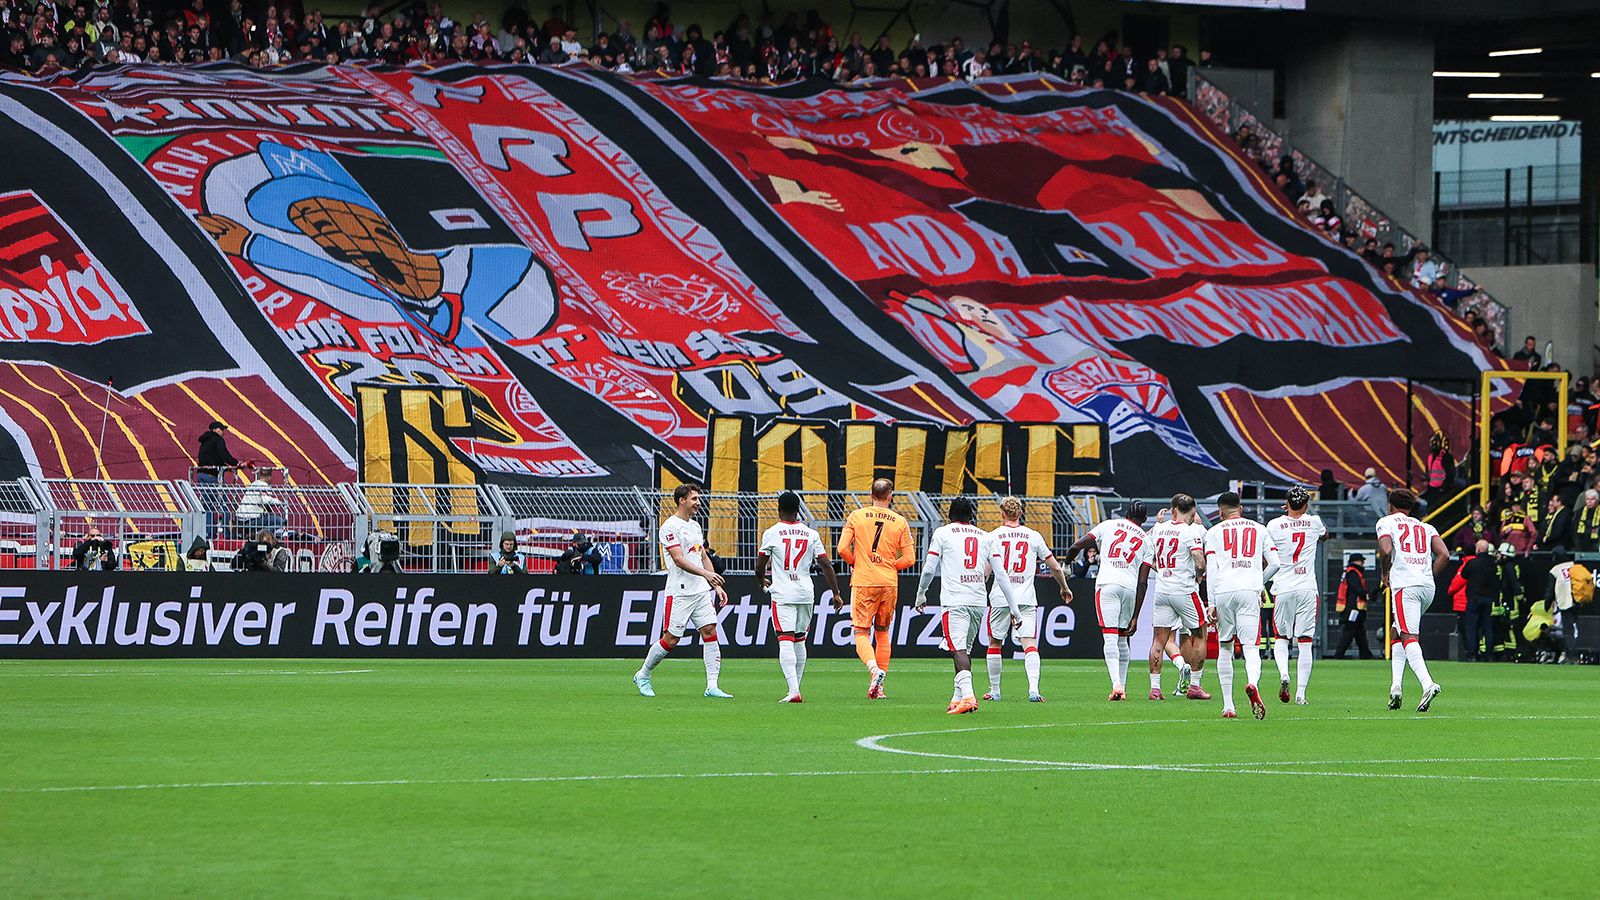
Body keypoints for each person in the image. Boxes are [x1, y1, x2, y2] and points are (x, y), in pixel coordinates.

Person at [913, 497, 1021, 714]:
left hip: (955, 601)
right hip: (978, 601)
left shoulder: (943, 533)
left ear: (949, 514)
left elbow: (929, 569)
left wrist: (921, 594)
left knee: (957, 649)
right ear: (972, 515)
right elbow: (1001, 575)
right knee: (964, 649)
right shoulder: (986, 536)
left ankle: (969, 696)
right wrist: (1014, 608)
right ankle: (957, 698)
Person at [633, 483, 732, 699]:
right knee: (671, 640)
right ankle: (643, 674)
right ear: (682, 500)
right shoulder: (669, 527)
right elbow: (678, 560)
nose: (698, 503)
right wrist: (705, 575)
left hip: (701, 592)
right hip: (680, 592)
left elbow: (702, 556)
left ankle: (712, 686)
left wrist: (715, 585)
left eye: (698, 498)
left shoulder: (695, 526)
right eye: (694, 499)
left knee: (710, 631)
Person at [755, 490, 843, 702]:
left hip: (783, 593)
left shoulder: (772, 532)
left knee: (785, 639)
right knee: (800, 639)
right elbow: (826, 564)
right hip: (805, 593)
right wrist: (836, 592)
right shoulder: (811, 534)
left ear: (779, 509)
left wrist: (761, 581)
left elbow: (760, 565)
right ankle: (796, 687)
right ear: (798, 510)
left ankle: (793, 690)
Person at [982, 496, 1071, 703]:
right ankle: (1033, 690)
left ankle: (995, 691)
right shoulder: (1033, 536)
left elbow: (986, 572)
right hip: (1026, 597)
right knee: (1029, 643)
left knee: (995, 642)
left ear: (1001, 513)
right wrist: (1064, 587)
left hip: (1000, 598)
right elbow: (1055, 567)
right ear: (1020, 513)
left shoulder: (992, 536)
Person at [1063, 501, 1152, 701]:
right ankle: (1123, 685)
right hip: (1129, 588)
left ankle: (1116, 684)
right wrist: (1136, 616)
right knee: (1122, 638)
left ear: (1126, 514)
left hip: (1107, 584)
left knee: (1110, 637)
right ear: (1145, 519)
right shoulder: (1147, 541)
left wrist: (1066, 564)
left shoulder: (1109, 525)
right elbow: (1143, 582)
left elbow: (1076, 546)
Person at [836, 478, 915, 699]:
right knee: (882, 632)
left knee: (861, 632)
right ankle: (879, 688)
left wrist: (856, 562)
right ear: (890, 496)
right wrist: (889, 565)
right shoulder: (900, 521)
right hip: (888, 582)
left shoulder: (856, 516)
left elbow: (842, 548)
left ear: (871, 495)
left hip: (864, 581)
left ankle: (873, 670)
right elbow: (910, 559)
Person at [1204, 492, 1278, 720]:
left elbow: (1212, 569)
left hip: (1223, 591)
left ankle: (1228, 706)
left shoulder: (1213, 532)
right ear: (1241, 508)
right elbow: (1276, 564)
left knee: (1225, 646)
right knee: (1251, 647)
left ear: (1220, 512)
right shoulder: (1259, 528)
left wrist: (1212, 603)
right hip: (1249, 590)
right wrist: (1258, 582)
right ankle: (1252, 683)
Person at [1377, 489, 1450, 712]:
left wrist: (1385, 572)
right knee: (1396, 631)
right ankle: (1396, 688)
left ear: (1391, 506)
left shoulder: (1386, 522)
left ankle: (1428, 684)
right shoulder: (1426, 527)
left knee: (1409, 636)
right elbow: (1445, 555)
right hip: (1427, 587)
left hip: (1405, 586)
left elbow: (1386, 550)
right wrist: (1427, 575)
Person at [1136, 493, 1210, 701]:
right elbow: (1200, 562)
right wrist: (1198, 575)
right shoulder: (1191, 532)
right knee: (1200, 633)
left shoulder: (1159, 528)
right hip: (1184, 589)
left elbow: (1144, 547)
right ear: (1193, 512)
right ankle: (1195, 685)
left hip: (1162, 590)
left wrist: (1160, 568)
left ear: (1172, 510)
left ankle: (1155, 689)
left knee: (1159, 639)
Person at [1264, 487, 1328, 704]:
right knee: (1305, 642)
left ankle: (1284, 673)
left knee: (1281, 638)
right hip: (1307, 588)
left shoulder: (1274, 525)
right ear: (1307, 504)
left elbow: (1267, 553)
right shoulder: (1314, 522)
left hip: (1283, 586)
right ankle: (1301, 693)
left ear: (1286, 504)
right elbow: (1325, 535)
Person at [1455, 540, 1499, 662]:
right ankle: (1488, 654)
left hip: (1474, 599)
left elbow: (1464, 575)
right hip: (1489, 599)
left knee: (1471, 627)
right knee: (1488, 628)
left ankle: (1472, 654)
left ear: (1478, 549)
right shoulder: (1493, 564)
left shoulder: (1473, 563)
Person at [1333, 553, 1373, 659]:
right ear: (1356, 561)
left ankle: (1365, 654)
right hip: (1353, 608)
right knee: (1349, 631)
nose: (1363, 563)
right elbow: (1358, 589)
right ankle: (1339, 654)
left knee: (1359, 632)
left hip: (1352, 608)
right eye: (1361, 561)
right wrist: (1367, 594)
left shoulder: (1349, 572)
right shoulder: (1353, 573)